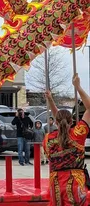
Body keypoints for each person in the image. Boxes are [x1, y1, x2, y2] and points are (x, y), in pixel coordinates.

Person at [43, 74, 90, 206]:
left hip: (56, 182)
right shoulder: (77, 133)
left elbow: (59, 120)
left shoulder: (48, 139)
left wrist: (51, 100)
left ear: (55, 123)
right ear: (71, 121)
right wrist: (78, 87)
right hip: (75, 180)